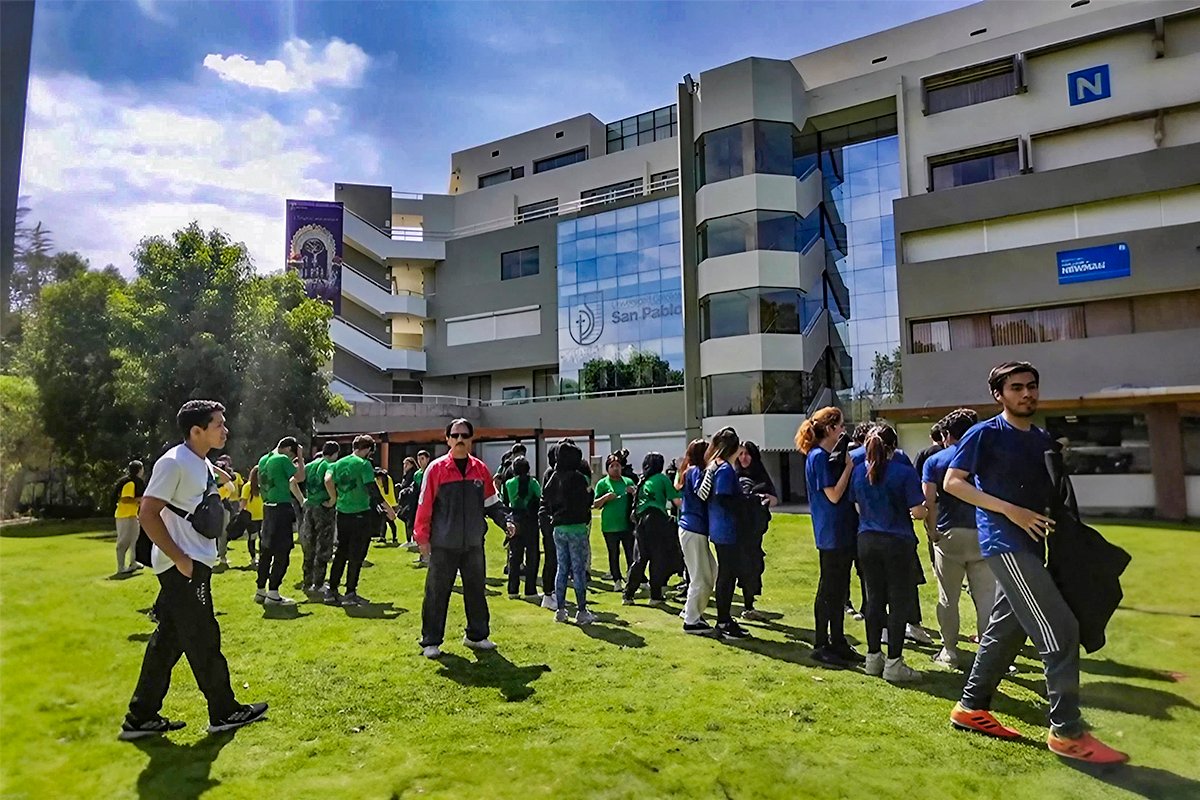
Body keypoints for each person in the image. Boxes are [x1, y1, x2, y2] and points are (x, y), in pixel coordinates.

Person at [946, 362, 1128, 764]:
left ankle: (971, 707)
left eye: (1031, 386)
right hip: (1005, 544)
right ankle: (1067, 732)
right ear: (999, 395)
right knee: (1061, 631)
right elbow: (953, 482)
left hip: (1036, 546)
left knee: (1004, 633)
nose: (1027, 393)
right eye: (1016, 388)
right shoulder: (985, 433)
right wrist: (1011, 511)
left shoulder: (1041, 438)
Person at [119, 400, 267, 740]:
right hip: (182, 566)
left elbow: (219, 486)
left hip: (193, 562)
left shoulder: (199, 461)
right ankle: (224, 711)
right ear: (196, 431)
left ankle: (141, 716)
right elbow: (147, 513)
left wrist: (215, 472)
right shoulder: (173, 463)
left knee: (168, 641)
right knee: (203, 638)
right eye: (218, 424)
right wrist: (180, 558)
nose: (225, 430)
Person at [415, 419, 514, 658]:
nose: (460, 439)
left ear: (471, 439)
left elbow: (492, 504)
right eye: (455, 435)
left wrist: (506, 522)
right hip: (443, 544)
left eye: (464, 435)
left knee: (476, 591)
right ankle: (431, 641)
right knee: (437, 593)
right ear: (447, 439)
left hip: (473, 544)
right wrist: (422, 539)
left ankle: (476, 636)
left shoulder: (480, 469)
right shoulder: (436, 469)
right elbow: (424, 506)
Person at [849, 424, 927, 682]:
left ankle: (873, 657)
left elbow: (857, 506)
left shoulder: (859, 471)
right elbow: (917, 511)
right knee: (898, 600)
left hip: (867, 538)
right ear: (894, 446)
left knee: (873, 599)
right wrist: (925, 509)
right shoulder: (903, 472)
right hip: (897, 540)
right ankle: (894, 661)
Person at [922, 408, 994, 669]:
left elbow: (929, 502)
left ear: (947, 435)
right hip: (982, 533)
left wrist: (932, 532)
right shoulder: (987, 458)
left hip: (950, 532)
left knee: (948, 598)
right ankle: (988, 655)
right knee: (986, 600)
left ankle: (949, 651)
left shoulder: (935, 461)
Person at [797, 407, 861, 666]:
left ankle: (837, 640)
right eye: (841, 426)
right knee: (828, 589)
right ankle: (822, 643)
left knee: (839, 589)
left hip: (840, 530)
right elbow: (833, 495)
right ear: (830, 428)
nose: (843, 430)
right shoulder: (818, 457)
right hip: (831, 532)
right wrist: (848, 468)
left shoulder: (824, 456)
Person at [325, 435, 394, 606]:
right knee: (356, 555)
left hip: (342, 512)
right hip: (360, 513)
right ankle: (350, 592)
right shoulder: (364, 465)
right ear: (368, 449)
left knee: (341, 552)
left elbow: (328, 480)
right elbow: (372, 489)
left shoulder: (338, 463)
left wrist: (334, 498)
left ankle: (331, 590)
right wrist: (389, 509)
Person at [702, 428, 752, 641]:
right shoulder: (725, 469)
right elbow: (723, 497)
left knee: (727, 574)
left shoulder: (716, 466)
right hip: (726, 529)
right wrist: (745, 503)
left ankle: (725, 619)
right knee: (727, 575)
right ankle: (723, 621)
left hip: (720, 528)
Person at [541, 439, 596, 624]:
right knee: (578, 570)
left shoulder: (553, 477)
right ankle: (581, 610)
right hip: (577, 528)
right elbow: (588, 500)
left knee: (562, 569)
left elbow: (546, 499)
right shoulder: (579, 478)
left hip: (558, 528)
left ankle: (561, 610)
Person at [622, 452, 680, 606]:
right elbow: (676, 501)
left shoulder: (643, 480)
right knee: (658, 557)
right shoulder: (662, 478)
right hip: (657, 519)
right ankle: (655, 595)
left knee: (640, 558)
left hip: (641, 521)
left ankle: (628, 594)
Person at [254, 438, 306, 606]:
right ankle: (273, 593)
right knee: (282, 552)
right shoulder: (282, 459)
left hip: (267, 507)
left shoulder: (264, 459)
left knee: (266, 551)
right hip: (281, 508)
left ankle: (260, 590)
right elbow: (300, 476)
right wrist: (300, 457)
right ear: (289, 449)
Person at [734, 441, 778, 620]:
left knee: (753, 565)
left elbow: (774, 499)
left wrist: (763, 498)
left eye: (747, 454)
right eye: (741, 454)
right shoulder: (733, 475)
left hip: (755, 529)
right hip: (737, 529)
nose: (744, 458)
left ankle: (749, 604)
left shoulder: (760, 475)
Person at [676, 440, 714, 634]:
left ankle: (691, 611)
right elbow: (702, 494)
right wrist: (712, 470)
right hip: (693, 528)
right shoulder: (695, 471)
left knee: (710, 572)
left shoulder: (689, 471)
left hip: (692, 529)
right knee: (701, 576)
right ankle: (691, 620)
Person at [299, 441, 340, 594]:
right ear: (335, 453)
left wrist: (302, 499)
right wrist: (333, 499)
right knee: (323, 546)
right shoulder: (330, 465)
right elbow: (328, 481)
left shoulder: (310, 465)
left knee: (309, 546)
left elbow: (293, 481)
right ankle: (318, 583)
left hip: (309, 507)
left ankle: (307, 581)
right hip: (323, 508)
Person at [593, 454, 637, 593]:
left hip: (626, 524)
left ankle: (632, 579)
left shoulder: (628, 481)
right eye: (612, 466)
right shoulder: (603, 484)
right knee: (613, 554)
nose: (615, 468)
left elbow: (638, 499)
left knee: (631, 553)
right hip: (610, 525)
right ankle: (617, 580)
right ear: (607, 469)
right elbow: (595, 504)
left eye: (617, 465)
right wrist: (606, 498)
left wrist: (634, 493)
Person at [503, 455, 542, 599]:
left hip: (515, 520)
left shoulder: (509, 483)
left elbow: (505, 501)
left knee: (514, 556)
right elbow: (540, 498)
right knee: (532, 556)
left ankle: (513, 590)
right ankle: (530, 590)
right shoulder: (533, 483)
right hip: (531, 520)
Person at [113, 460, 145, 576]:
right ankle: (121, 567)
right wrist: (139, 500)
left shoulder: (134, 482)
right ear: (139, 470)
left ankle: (133, 562)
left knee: (134, 540)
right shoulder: (130, 483)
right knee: (123, 542)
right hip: (124, 516)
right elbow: (125, 499)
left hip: (132, 515)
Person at [239, 466, 264, 568]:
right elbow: (243, 501)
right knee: (253, 538)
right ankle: (254, 558)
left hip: (262, 516)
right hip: (252, 518)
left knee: (262, 539)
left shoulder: (263, 486)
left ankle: (261, 557)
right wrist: (242, 514)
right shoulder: (248, 486)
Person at [412, 450, 432, 566]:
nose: (420, 461)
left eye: (422, 459)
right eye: (418, 459)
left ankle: (429, 554)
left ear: (428, 459)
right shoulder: (417, 474)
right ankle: (422, 555)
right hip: (419, 503)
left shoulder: (432, 471)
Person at [396, 456, 419, 550]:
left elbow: (412, 487)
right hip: (406, 501)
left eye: (407, 464)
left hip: (411, 501)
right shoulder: (406, 475)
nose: (405, 466)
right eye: (404, 464)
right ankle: (410, 539)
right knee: (405, 518)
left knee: (407, 518)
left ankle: (412, 540)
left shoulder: (413, 474)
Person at [375, 468, 399, 544]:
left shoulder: (386, 481)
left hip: (387, 504)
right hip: (387, 503)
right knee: (385, 521)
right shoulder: (387, 479)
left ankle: (388, 537)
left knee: (389, 521)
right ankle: (389, 537)